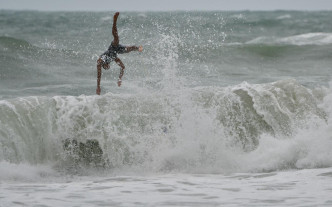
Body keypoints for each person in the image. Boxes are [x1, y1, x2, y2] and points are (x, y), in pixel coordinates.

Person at [96, 12, 143, 95]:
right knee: (129, 50)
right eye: (108, 67)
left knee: (116, 37)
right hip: (117, 51)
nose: (108, 67)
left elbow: (99, 75)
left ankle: (114, 20)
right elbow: (122, 67)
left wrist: (98, 86)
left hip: (112, 47)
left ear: (104, 65)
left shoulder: (100, 61)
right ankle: (138, 48)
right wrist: (119, 79)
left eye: (106, 67)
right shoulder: (112, 59)